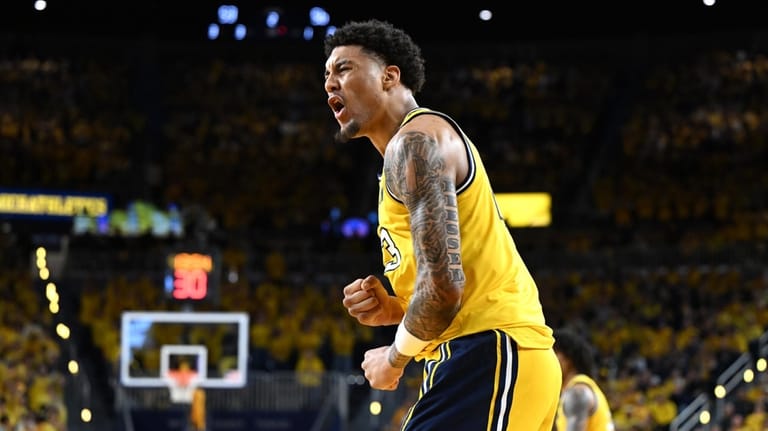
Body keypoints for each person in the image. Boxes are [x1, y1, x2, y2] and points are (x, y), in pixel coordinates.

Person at [324, 19, 561, 430]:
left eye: (343, 69)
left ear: (389, 76)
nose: (330, 83)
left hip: (491, 351)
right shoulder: (410, 149)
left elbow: (444, 289)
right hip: (490, 356)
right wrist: (399, 308)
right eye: (326, 75)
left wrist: (393, 357)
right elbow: (450, 282)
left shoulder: (415, 143)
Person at [552, 328, 615, 431]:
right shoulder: (582, 387)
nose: (550, 361)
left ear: (568, 359)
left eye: (554, 354)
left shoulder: (578, 392)